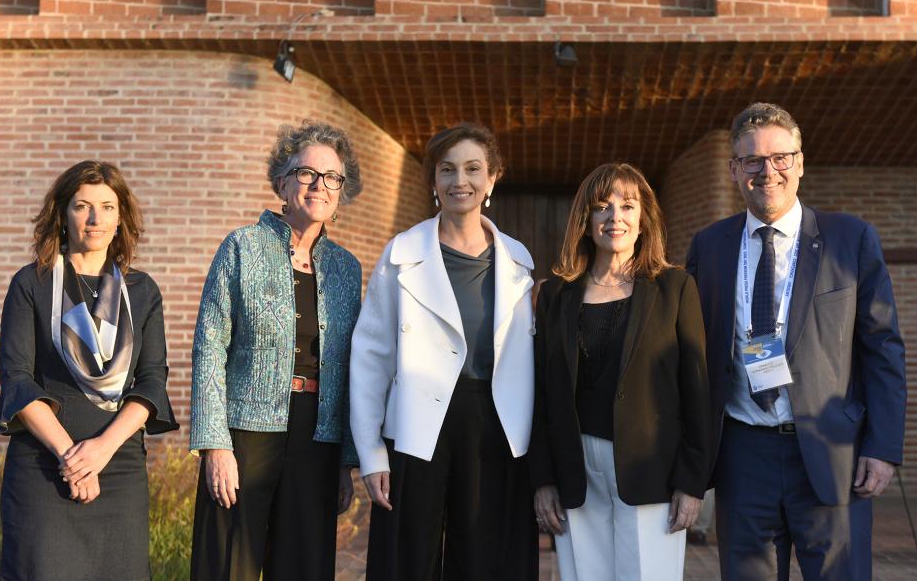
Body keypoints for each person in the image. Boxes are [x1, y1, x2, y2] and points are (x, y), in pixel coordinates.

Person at [686, 102, 907, 580]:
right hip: (742, 457)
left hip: (833, 455)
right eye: (753, 161)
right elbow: (689, 349)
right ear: (733, 170)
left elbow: (882, 349)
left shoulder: (850, 239)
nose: (768, 171)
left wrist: (884, 446)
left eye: (780, 157)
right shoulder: (709, 245)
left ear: (800, 163)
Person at [351, 122, 539, 580]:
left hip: (494, 428)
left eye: (474, 169)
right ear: (434, 182)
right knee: (408, 559)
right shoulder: (402, 252)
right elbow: (371, 356)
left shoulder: (519, 260)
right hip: (417, 427)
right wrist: (372, 452)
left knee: (482, 560)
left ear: (492, 178)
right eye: (448, 170)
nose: (461, 181)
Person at [189, 122, 363, 581]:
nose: (319, 185)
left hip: (317, 438)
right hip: (245, 433)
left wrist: (346, 459)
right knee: (228, 565)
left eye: (332, 177)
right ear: (281, 183)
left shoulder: (347, 268)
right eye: (306, 173)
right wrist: (214, 444)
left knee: (305, 566)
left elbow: (349, 369)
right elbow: (209, 348)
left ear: (341, 191)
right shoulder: (241, 247)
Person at [0, 160, 178, 581]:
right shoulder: (32, 284)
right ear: (62, 214)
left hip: (118, 468)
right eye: (82, 206)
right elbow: (18, 380)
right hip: (43, 467)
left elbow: (151, 382)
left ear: (121, 218)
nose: (95, 219)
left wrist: (100, 451)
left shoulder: (142, 291)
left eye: (107, 207)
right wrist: (71, 458)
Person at [529, 163, 711, 581]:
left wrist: (692, 480)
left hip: (653, 473)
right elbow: (541, 392)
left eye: (628, 206)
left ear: (644, 217)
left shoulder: (675, 288)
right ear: (586, 220)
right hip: (575, 470)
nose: (615, 218)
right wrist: (543, 479)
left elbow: (696, 390)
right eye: (602, 207)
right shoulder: (556, 292)